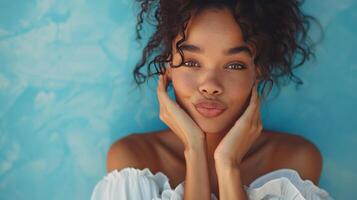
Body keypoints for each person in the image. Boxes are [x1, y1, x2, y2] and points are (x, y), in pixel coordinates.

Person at [91, 0, 333, 199]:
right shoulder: (133, 163)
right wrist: (194, 150)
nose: (210, 85)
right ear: (168, 67)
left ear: (257, 71)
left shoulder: (293, 163)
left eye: (234, 65)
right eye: (191, 62)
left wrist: (228, 165)